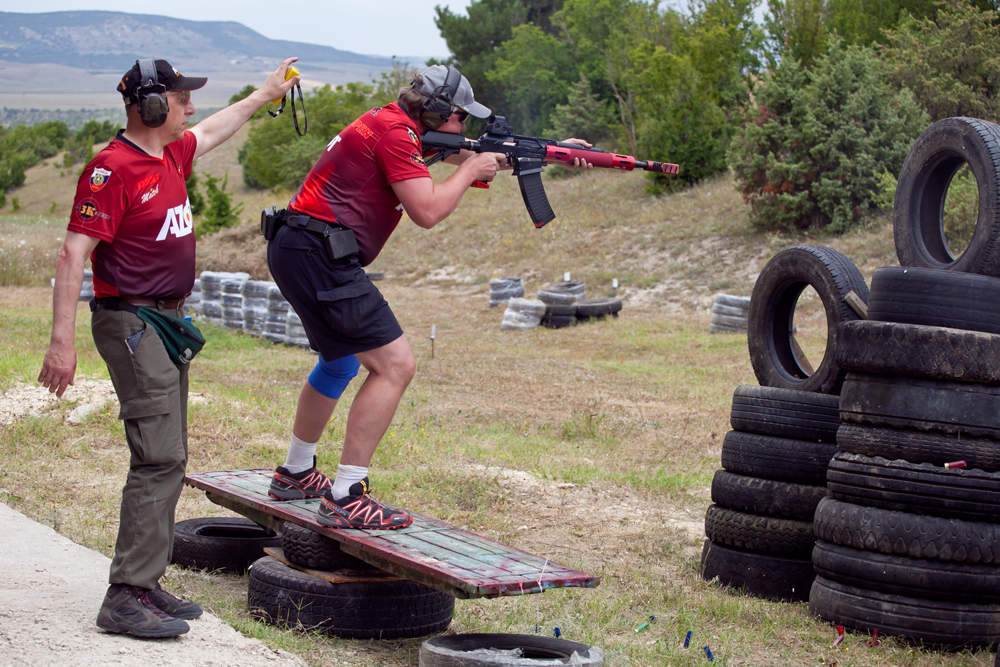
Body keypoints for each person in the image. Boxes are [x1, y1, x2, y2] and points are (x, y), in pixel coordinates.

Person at [37, 57, 301, 639]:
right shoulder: (111, 170)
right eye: (181, 99)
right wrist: (62, 344)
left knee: (170, 454)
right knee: (158, 456)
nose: (191, 108)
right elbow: (71, 256)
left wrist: (263, 95)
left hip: (164, 323)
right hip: (132, 321)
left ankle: (145, 581)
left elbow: (212, 130)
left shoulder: (170, 152)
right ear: (151, 106)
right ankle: (125, 595)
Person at [265, 64, 593, 531]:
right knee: (395, 365)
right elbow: (428, 210)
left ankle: (296, 472)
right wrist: (474, 170)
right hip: (320, 252)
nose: (465, 128)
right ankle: (347, 495)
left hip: (298, 245)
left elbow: (469, 153)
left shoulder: (391, 122)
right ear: (438, 111)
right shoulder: (397, 134)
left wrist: (551, 153)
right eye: (460, 118)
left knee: (340, 363)